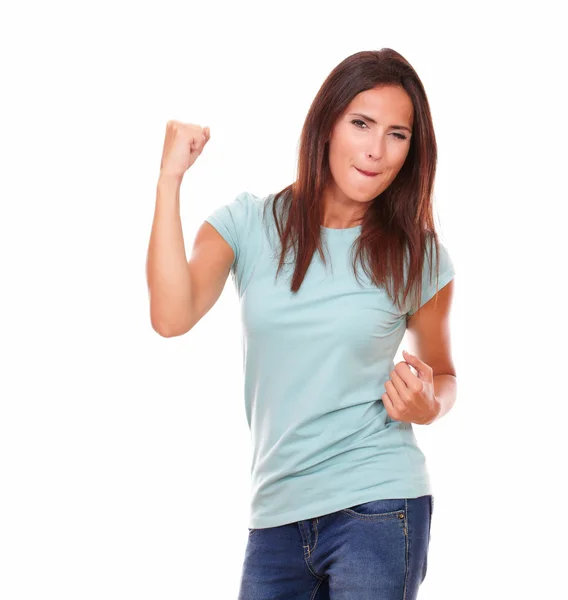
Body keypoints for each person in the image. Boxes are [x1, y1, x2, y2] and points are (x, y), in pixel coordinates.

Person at [146, 47, 457, 600]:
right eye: (361, 124)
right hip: (275, 515)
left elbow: (444, 373)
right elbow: (171, 317)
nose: (376, 151)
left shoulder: (417, 254)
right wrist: (170, 178)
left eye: (397, 134)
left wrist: (429, 404)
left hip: (379, 503)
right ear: (327, 125)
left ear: (412, 149)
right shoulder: (248, 223)